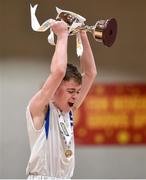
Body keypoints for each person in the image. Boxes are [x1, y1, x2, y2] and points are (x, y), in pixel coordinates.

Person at [26, 20, 97, 179]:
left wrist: (82, 33)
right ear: (55, 88)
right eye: (71, 91)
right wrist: (62, 35)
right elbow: (58, 71)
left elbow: (91, 73)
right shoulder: (40, 108)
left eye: (77, 91)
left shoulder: (69, 110)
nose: (76, 96)